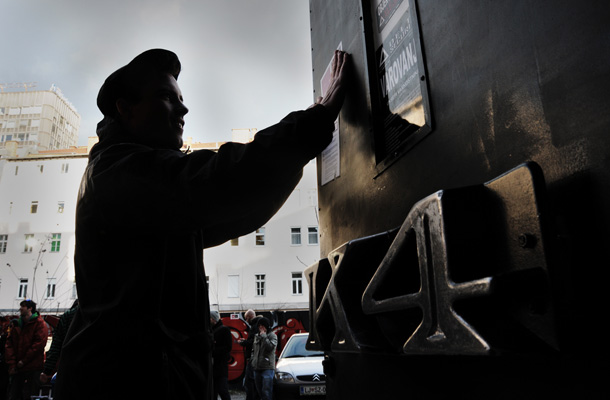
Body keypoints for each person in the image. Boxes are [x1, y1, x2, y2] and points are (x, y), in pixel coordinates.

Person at [54, 48, 349, 400]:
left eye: (181, 98)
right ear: (125, 108)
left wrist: (305, 140)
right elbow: (221, 180)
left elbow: (237, 209)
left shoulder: (141, 182)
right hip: (130, 383)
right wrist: (317, 119)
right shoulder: (121, 173)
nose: (183, 109)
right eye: (166, 97)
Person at [4, 300, 48, 400]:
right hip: (21, 367)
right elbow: (9, 344)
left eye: (23, 306)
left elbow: (38, 345)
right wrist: (15, 363)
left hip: (30, 367)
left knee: (27, 394)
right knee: (17, 394)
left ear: (30, 308)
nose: (20, 308)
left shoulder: (38, 324)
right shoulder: (17, 324)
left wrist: (20, 362)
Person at [40, 300, 79, 385]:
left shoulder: (68, 316)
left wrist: (47, 370)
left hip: (70, 365)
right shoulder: (101, 313)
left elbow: (56, 345)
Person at [251, 318, 277, 400]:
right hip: (257, 367)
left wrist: (264, 336)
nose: (260, 328)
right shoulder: (256, 336)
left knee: (266, 391)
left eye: (262, 326)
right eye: (259, 326)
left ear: (266, 326)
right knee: (259, 391)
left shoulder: (272, 336)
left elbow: (270, 347)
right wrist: (253, 360)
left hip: (267, 367)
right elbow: (253, 350)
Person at [238, 310, 260, 400]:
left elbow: (253, 342)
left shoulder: (255, 327)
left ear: (250, 317)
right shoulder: (257, 325)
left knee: (249, 381)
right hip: (254, 357)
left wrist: (244, 343)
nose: (246, 320)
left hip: (252, 358)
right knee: (253, 381)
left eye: (246, 318)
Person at [210, 311, 232, 400]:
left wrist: (213, 351)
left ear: (213, 319)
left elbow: (228, 347)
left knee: (222, 390)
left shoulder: (223, 330)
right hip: (217, 366)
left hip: (219, 366)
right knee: (216, 391)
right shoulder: (215, 330)